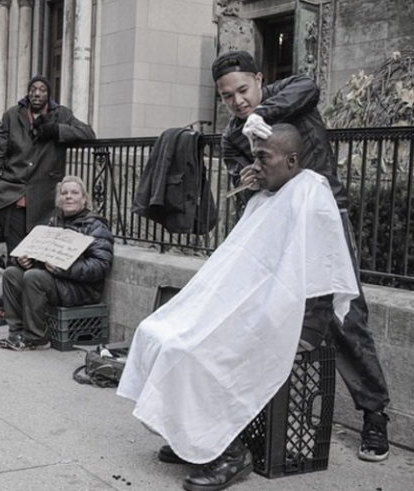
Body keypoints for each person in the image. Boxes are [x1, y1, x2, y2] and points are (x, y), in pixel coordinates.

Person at [118, 124, 360, 491]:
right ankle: (192, 436)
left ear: (292, 161)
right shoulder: (269, 194)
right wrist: (256, 190)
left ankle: (230, 453)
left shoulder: (310, 193)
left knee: (193, 352)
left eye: (264, 158)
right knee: (156, 332)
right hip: (253, 308)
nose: (256, 165)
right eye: (255, 158)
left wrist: (293, 326)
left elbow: (312, 274)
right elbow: (245, 259)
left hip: (290, 319)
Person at [210, 50, 390, 462]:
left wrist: (263, 116)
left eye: (243, 90)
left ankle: (374, 416)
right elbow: (246, 185)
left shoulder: (293, 94)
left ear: (259, 79)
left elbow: (309, 84)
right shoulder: (230, 136)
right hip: (276, 228)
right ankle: (250, 415)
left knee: (344, 319)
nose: (238, 102)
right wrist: (249, 178)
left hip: (325, 219)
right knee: (261, 313)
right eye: (227, 97)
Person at [0, 75, 95, 327]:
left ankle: (13, 311)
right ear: (28, 93)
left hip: (42, 201)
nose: (37, 93)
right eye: (33, 89)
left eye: (42, 90)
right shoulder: (12, 115)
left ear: (48, 94)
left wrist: (55, 131)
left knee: (26, 258)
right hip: (11, 194)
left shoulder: (61, 114)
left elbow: (87, 133)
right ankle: (13, 306)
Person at [0, 176, 114, 351]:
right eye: (64, 193)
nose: (68, 196)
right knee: (12, 273)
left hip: (79, 288)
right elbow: (38, 251)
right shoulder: (55, 222)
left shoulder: (95, 226)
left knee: (34, 277)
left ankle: (37, 339)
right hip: (57, 280)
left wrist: (65, 269)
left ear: (84, 199)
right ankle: (17, 332)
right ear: (59, 199)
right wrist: (23, 260)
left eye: (74, 193)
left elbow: (100, 266)